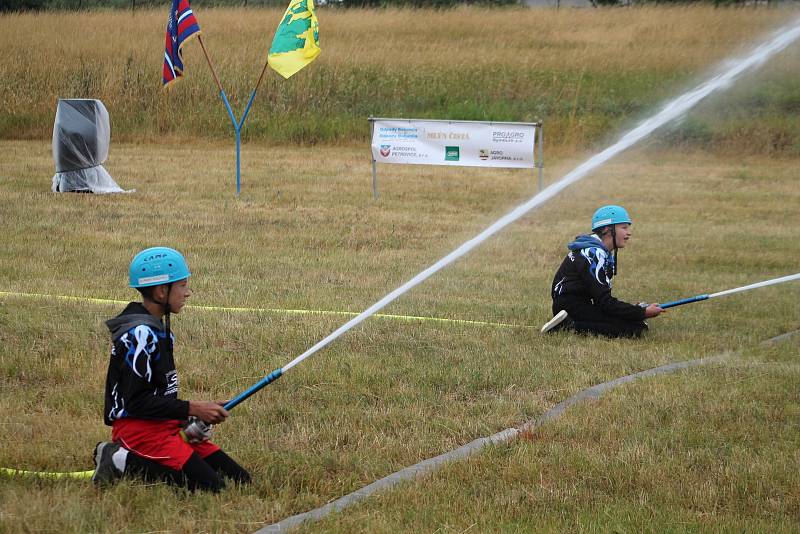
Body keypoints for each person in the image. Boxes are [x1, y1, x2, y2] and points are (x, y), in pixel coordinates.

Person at [92, 247, 250, 491]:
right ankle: (118, 459)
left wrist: (189, 416)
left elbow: (159, 395)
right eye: (183, 286)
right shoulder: (140, 334)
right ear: (161, 290)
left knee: (241, 480)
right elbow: (136, 402)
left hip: (164, 424)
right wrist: (194, 407)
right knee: (212, 488)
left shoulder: (158, 329)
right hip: (138, 431)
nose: (188, 293)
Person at [541, 205, 664, 338]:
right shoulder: (594, 253)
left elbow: (603, 300)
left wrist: (634, 310)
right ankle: (567, 326)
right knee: (636, 328)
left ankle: (569, 324)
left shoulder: (599, 251)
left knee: (635, 322)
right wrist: (642, 312)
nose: (629, 233)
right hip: (571, 308)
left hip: (578, 305)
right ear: (607, 230)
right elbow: (605, 302)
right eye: (624, 227)